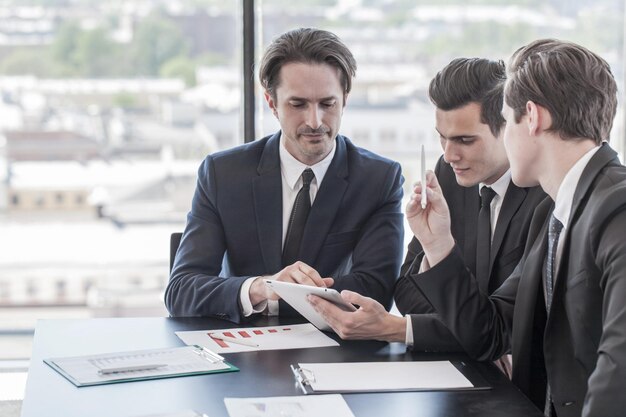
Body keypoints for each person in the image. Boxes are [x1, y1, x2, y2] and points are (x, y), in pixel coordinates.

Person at [313, 39, 626, 417]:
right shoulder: (562, 212)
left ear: (532, 118)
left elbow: (619, 370)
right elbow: (490, 333)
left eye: (508, 120)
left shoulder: (615, 206)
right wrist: (438, 244)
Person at [165, 28, 404, 323]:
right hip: (243, 353)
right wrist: (261, 288)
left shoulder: (378, 180)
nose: (315, 121)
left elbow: (375, 292)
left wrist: (278, 297)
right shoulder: (223, 174)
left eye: (328, 104)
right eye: (298, 104)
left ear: (345, 99)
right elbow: (181, 291)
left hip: (335, 354)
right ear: (271, 103)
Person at [394, 58, 546, 357]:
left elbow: (513, 330)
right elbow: (407, 291)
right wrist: (464, 327)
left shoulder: (546, 193)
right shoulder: (450, 173)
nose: (450, 155)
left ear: (508, 126)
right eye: (442, 137)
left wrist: (462, 324)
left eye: (465, 140)